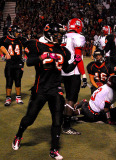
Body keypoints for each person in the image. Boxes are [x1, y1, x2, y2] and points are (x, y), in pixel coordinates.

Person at [11, 23, 82, 160]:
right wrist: (42, 57)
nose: (60, 37)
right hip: (41, 89)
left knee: (57, 120)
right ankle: (18, 135)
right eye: (57, 35)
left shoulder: (63, 51)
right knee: (30, 118)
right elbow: (30, 62)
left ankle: (54, 149)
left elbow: (66, 69)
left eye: (61, 35)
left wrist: (75, 62)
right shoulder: (37, 45)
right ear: (49, 34)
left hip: (56, 89)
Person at [61, 18, 87, 135]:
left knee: (67, 97)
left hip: (63, 71)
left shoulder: (63, 36)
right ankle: (66, 125)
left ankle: (65, 118)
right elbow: (78, 58)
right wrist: (84, 74)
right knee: (72, 98)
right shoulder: (78, 38)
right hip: (73, 72)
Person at [0, 25, 26, 106]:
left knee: (18, 80)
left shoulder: (21, 39)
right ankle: (8, 98)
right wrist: (3, 56)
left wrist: (25, 56)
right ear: (12, 32)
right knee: (9, 81)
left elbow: (27, 48)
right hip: (10, 63)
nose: (18, 34)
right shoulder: (4, 39)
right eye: (17, 32)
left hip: (19, 63)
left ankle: (18, 97)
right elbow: (0, 47)